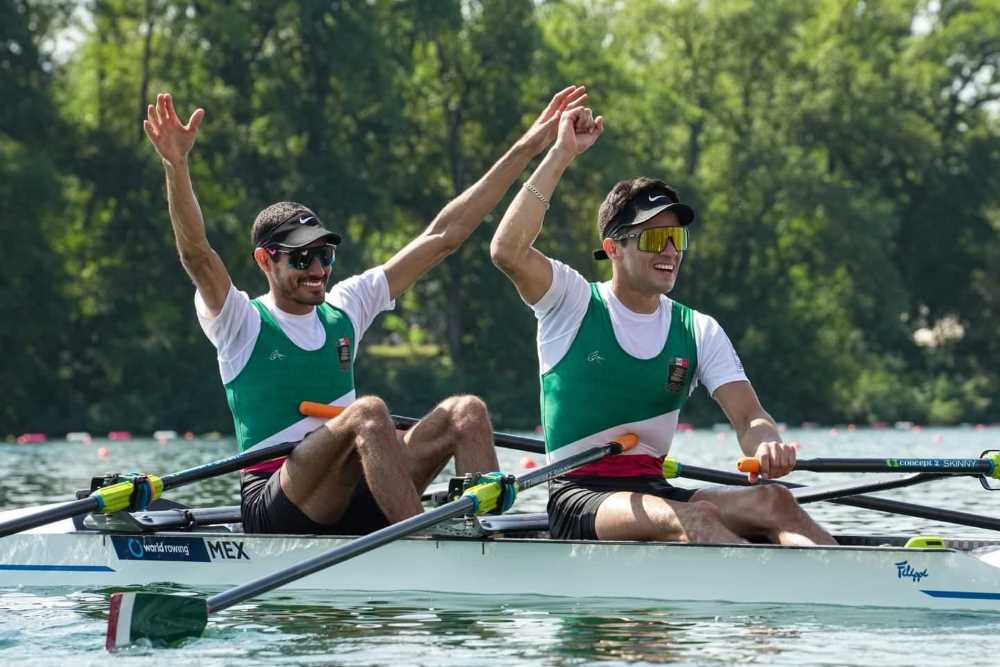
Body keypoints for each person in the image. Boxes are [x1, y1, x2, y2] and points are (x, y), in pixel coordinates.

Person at [143, 86, 588, 534]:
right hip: (275, 499)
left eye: (325, 256)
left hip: (355, 490)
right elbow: (197, 254)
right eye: (301, 259)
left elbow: (444, 235)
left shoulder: (345, 306)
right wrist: (175, 165)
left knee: (466, 412)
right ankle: (424, 541)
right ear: (265, 260)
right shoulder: (240, 321)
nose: (318, 269)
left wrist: (529, 146)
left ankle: (487, 540)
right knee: (369, 412)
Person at [489, 105, 835, 545]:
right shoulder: (571, 302)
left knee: (776, 502)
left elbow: (749, 417)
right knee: (695, 518)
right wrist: (561, 153)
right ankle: (770, 595)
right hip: (580, 496)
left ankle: (858, 587)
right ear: (613, 248)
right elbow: (507, 252)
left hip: (655, 489)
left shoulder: (698, 329)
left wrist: (766, 445)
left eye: (678, 238)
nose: (670, 250)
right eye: (654, 238)